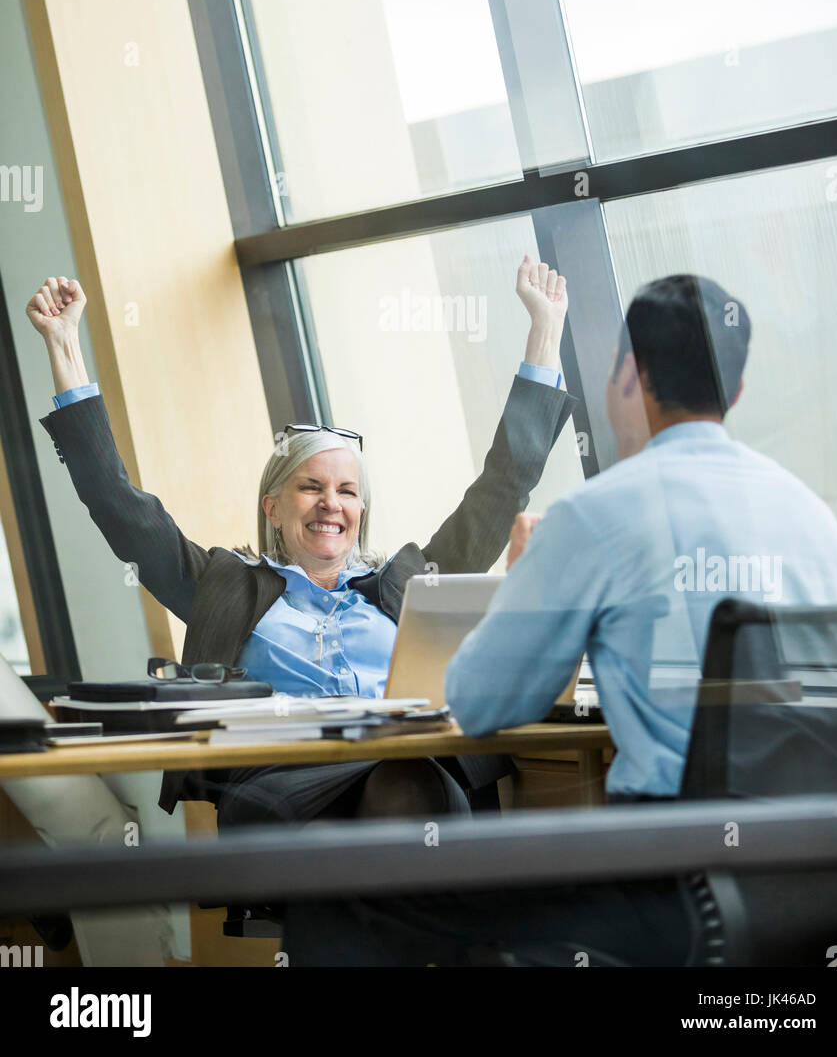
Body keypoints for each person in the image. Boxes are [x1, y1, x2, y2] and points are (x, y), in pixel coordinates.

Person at [279, 273, 837, 965]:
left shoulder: (597, 514)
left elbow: (479, 698)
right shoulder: (812, 517)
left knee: (332, 887)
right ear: (734, 394)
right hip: (820, 876)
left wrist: (528, 578)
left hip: (669, 884)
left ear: (630, 377)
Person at [28, 257, 576, 828]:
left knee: (408, 781)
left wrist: (546, 329)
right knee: (407, 792)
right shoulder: (226, 585)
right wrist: (64, 344)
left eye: (346, 491)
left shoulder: (410, 583)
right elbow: (119, 507)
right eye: (310, 487)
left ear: (361, 510)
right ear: (273, 505)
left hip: (404, 765)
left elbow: (501, 489)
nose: (331, 504)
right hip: (283, 780)